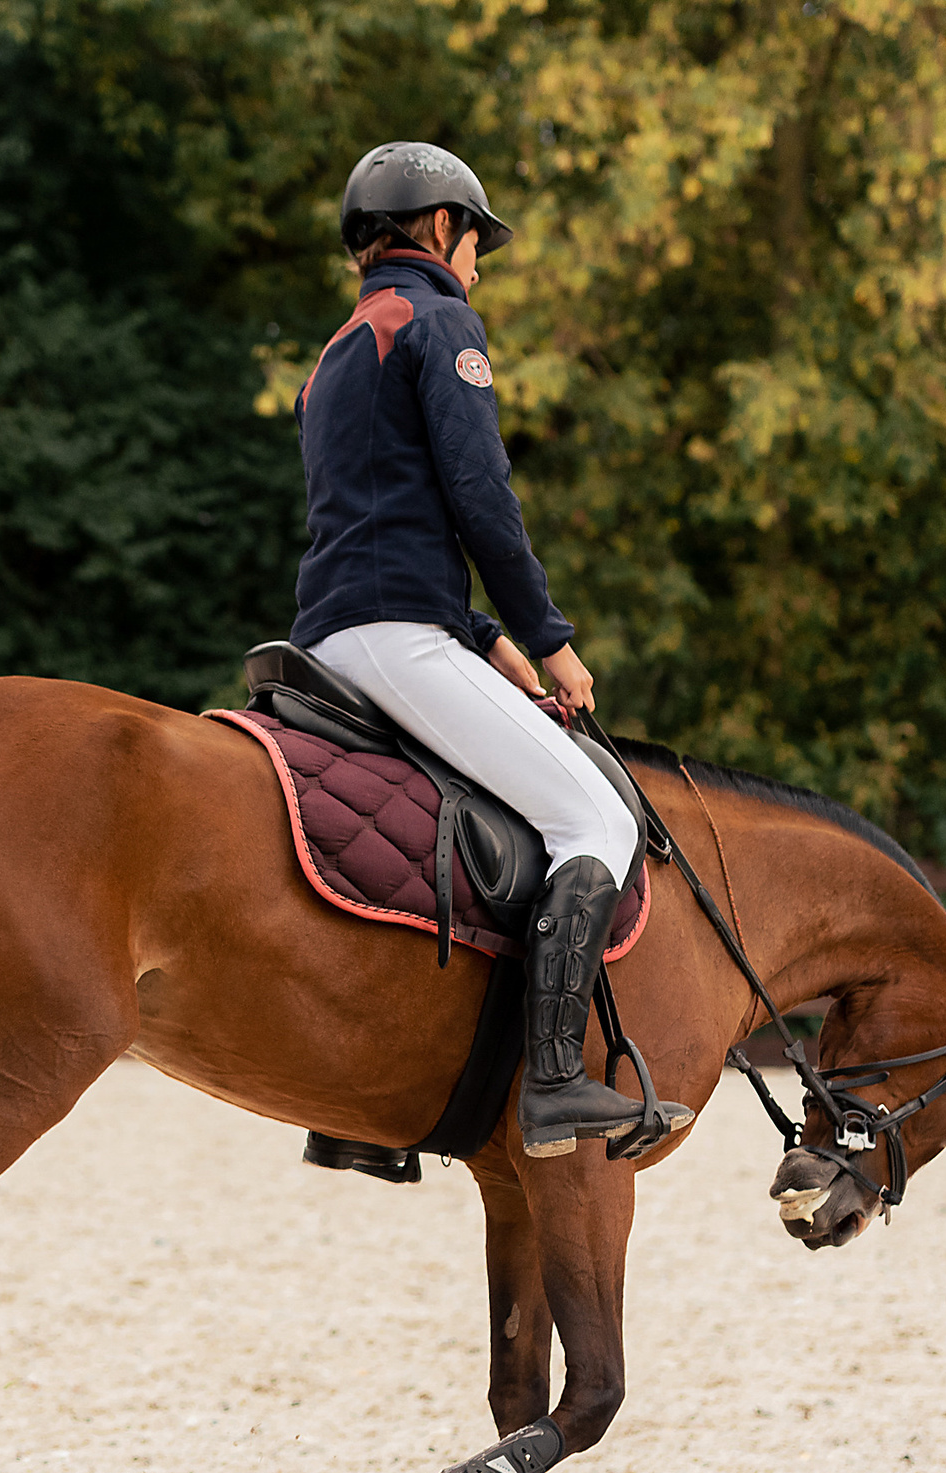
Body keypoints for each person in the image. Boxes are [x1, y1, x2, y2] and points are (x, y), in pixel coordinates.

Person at [290, 140, 695, 1158]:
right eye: (476, 244)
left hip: (331, 636)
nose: (476, 267)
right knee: (595, 817)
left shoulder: (339, 350)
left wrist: (487, 641)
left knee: (419, 833)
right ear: (440, 227)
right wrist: (552, 640)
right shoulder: (439, 322)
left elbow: (382, 519)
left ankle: (361, 1111)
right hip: (395, 638)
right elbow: (480, 500)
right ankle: (553, 1081)